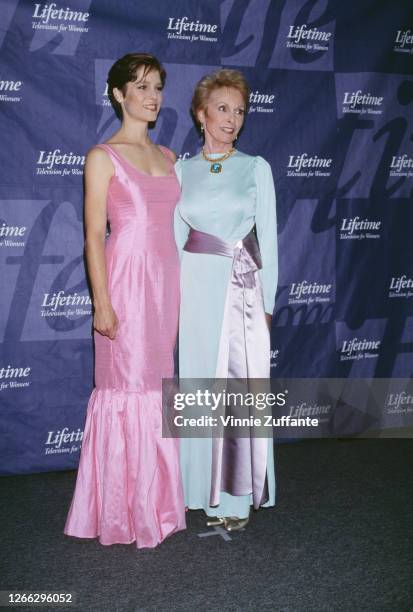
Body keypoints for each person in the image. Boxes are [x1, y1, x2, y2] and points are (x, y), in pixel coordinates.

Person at [64, 53, 186, 548]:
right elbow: (94, 235)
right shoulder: (102, 156)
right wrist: (102, 302)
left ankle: (159, 504)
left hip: (167, 284)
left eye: (157, 86)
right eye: (140, 86)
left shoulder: (170, 158)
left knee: (159, 390)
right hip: (127, 283)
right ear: (118, 94)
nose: (151, 95)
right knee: (129, 388)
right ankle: (122, 513)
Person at [174, 69, 278, 531]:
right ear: (201, 114)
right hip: (193, 290)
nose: (231, 119)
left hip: (240, 293)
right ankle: (195, 490)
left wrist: (268, 304)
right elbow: (174, 243)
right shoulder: (181, 170)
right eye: (222, 108)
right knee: (195, 388)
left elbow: (269, 244)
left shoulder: (256, 168)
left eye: (239, 111)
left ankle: (233, 502)